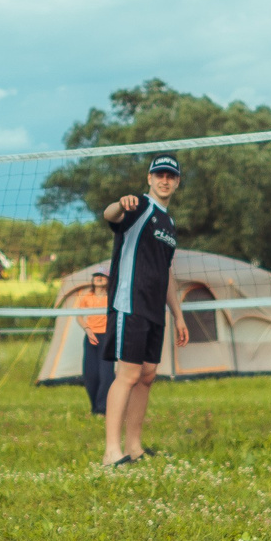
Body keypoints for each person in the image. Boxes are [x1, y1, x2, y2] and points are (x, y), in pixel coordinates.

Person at [99, 156, 191, 468]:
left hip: (155, 309)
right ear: (149, 177)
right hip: (130, 302)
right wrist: (119, 204)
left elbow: (167, 273)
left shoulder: (170, 223)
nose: (165, 180)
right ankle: (111, 452)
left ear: (177, 182)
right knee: (128, 374)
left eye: (170, 176)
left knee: (147, 375)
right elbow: (109, 216)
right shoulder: (138, 205)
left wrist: (178, 315)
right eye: (159, 174)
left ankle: (134, 447)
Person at [73, 265, 116, 416]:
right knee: (90, 375)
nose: (99, 278)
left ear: (108, 279)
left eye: (102, 276)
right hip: (91, 337)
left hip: (106, 337)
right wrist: (87, 329)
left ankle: (102, 409)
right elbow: (79, 315)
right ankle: (95, 407)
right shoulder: (87, 296)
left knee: (106, 375)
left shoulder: (112, 297)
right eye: (97, 275)